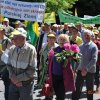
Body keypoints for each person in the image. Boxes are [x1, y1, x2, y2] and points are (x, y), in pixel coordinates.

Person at [7, 30, 37, 100]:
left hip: (26, 84)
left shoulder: (31, 49)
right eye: (13, 37)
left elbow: (32, 70)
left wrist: (17, 79)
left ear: (23, 38)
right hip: (13, 82)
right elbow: (9, 65)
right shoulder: (12, 49)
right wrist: (13, 77)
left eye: (16, 37)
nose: (13, 40)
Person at [72, 29, 98, 100]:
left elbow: (94, 60)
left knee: (90, 90)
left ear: (91, 36)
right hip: (80, 70)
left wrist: (86, 69)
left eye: (88, 35)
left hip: (90, 71)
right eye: (85, 35)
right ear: (83, 36)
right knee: (76, 88)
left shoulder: (94, 46)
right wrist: (75, 70)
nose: (86, 36)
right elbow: (77, 59)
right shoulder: (80, 46)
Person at [48, 34, 75, 100]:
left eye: (64, 40)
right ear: (58, 40)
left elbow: (75, 60)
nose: (62, 41)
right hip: (54, 76)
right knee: (57, 94)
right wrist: (47, 74)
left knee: (61, 96)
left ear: (67, 41)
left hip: (63, 77)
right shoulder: (53, 50)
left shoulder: (68, 51)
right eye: (60, 39)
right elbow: (49, 64)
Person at [0, 25, 11, 100]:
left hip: (4, 65)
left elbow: (10, 53)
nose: (0, 32)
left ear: (4, 32)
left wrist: (2, 52)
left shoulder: (7, 40)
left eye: (1, 31)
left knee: (6, 83)